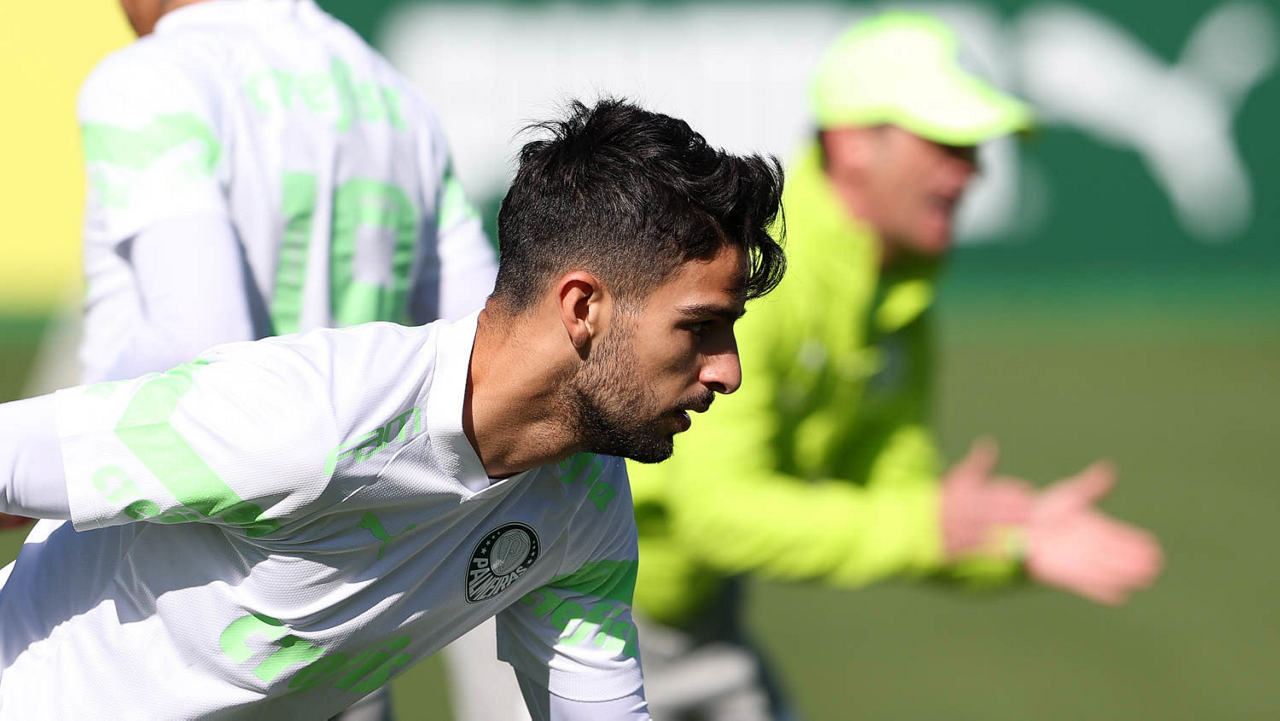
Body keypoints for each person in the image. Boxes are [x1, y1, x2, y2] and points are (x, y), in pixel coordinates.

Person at [443, 11, 1164, 720]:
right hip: (542, 586)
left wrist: (1008, 539)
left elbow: (896, 491)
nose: (969, 169)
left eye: (973, 147)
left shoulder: (899, 290)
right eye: (945, 142)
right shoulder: (750, 277)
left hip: (693, 615)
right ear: (853, 146)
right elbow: (719, 512)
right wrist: (927, 527)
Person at [0, 98, 786, 720]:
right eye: (700, 326)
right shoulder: (311, 415)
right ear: (582, 306)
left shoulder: (584, 495)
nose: (729, 371)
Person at [79, 0, 497, 385]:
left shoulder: (148, 77)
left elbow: (197, 343)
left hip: (176, 443)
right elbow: (488, 346)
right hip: (358, 443)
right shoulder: (397, 96)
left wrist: (54, 421)